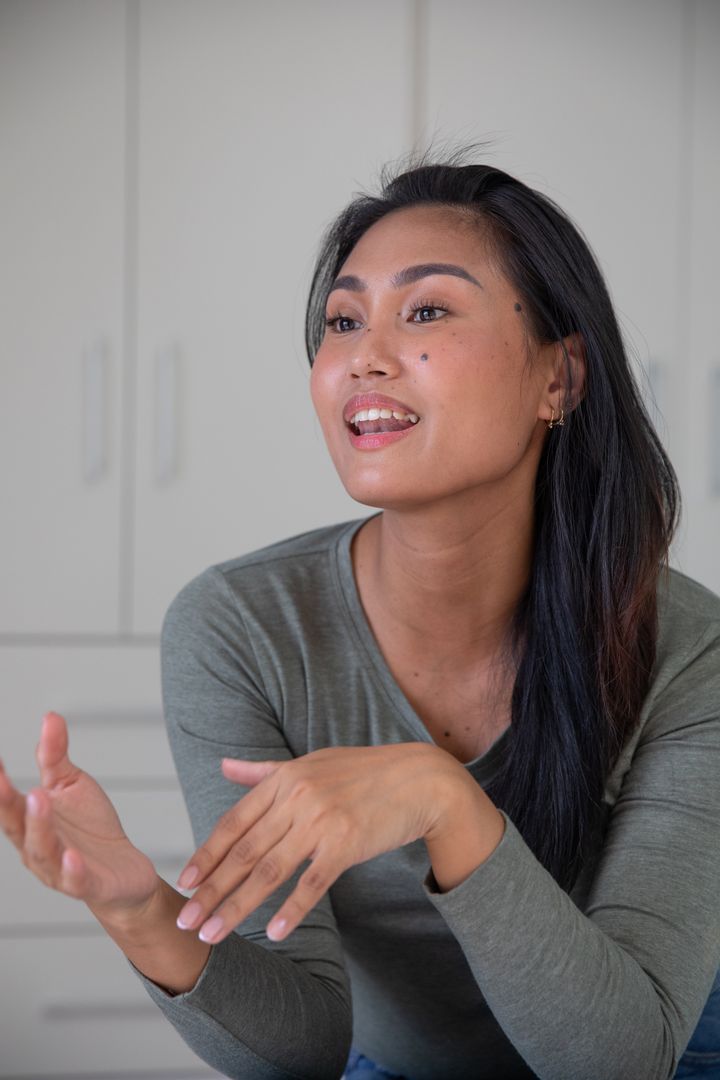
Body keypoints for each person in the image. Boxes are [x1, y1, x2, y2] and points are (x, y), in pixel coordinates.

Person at [1, 149, 719, 1080]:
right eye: (342, 321)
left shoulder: (688, 650)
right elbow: (299, 1051)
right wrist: (141, 913)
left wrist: (443, 800)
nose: (361, 358)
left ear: (560, 379)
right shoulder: (239, 630)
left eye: (425, 311)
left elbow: (620, 1058)